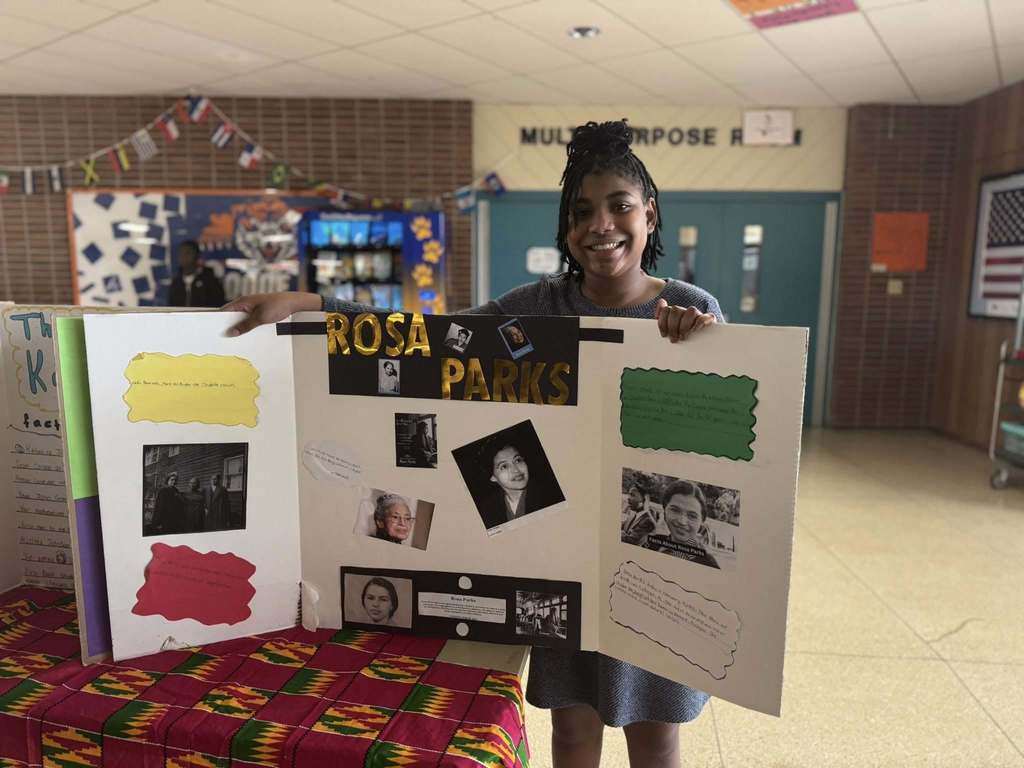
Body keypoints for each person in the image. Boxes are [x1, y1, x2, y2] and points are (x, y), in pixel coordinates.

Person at [223, 119, 720, 768]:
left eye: (620, 207)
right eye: (583, 212)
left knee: (655, 733)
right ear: (567, 230)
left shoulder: (688, 308)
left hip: (648, 568)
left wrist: (706, 344)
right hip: (557, 558)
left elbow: (717, 451)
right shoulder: (536, 308)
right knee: (572, 730)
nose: (602, 225)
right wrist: (315, 305)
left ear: (649, 216)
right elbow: (425, 339)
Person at [643, 480, 720, 569]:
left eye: (692, 516)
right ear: (664, 511)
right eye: (675, 510)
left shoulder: (708, 564)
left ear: (701, 522)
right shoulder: (651, 543)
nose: (682, 522)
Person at [476, 439, 545, 529]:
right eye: (504, 466)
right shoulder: (487, 511)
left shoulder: (549, 493)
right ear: (493, 477)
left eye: (518, 460)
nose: (516, 470)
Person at [168, 240, 226, 308]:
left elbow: (218, 306)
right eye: (181, 253)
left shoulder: (210, 280)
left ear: (197, 255)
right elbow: (171, 308)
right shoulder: (176, 283)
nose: (184, 257)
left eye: (188, 253)